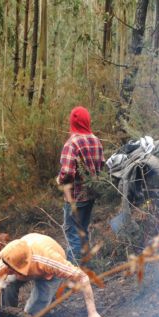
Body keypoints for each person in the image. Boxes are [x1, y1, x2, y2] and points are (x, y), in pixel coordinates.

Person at [0, 233, 107, 317]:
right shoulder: (6, 262)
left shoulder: (49, 260)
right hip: (28, 253)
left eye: (13, 269)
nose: (8, 271)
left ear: (25, 264)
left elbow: (83, 277)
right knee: (7, 285)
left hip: (47, 272)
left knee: (35, 309)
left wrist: (93, 313)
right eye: (9, 268)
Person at [56, 106, 104, 264]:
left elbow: (68, 173)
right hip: (90, 196)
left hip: (75, 197)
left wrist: (59, 179)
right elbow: (102, 166)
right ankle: (87, 268)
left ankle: (76, 274)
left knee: (73, 235)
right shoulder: (96, 141)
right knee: (83, 231)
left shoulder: (72, 143)